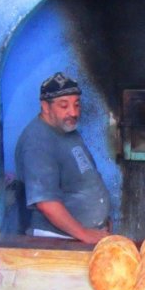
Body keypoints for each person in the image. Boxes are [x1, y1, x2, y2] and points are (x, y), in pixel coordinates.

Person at [15, 72, 111, 244]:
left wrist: (101, 218)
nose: (73, 112)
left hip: (82, 236)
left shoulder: (66, 128)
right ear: (45, 106)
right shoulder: (37, 142)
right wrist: (84, 234)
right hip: (58, 240)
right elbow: (46, 203)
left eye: (76, 104)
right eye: (64, 106)